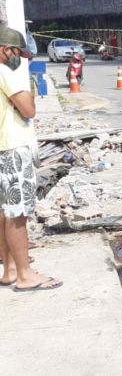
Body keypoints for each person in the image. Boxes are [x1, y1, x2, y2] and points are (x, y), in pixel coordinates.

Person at [0, 26, 62, 291]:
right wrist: (30, 89)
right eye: (18, 52)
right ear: (5, 50)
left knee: (5, 212)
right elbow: (29, 110)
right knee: (17, 214)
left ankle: (10, 269)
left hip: (3, 148)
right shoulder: (5, 73)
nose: (21, 58)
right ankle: (25, 276)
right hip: (13, 148)